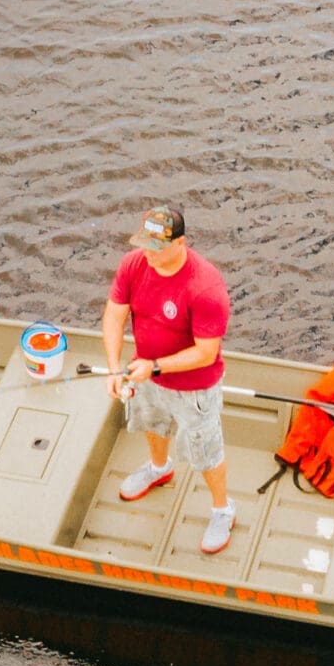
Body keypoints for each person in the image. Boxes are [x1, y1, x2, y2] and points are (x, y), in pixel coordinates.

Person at [102, 204, 237, 554]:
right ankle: (159, 468)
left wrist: (156, 366)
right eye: (144, 244)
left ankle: (222, 509)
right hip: (146, 374)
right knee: (152, 423)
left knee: (206, 451)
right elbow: (114, 317)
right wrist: (115, 367)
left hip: (193, 388)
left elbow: (206, 353)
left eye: (157, 247)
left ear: (181, 243)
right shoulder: (134, 265)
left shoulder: (205, 287)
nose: (148, 253)